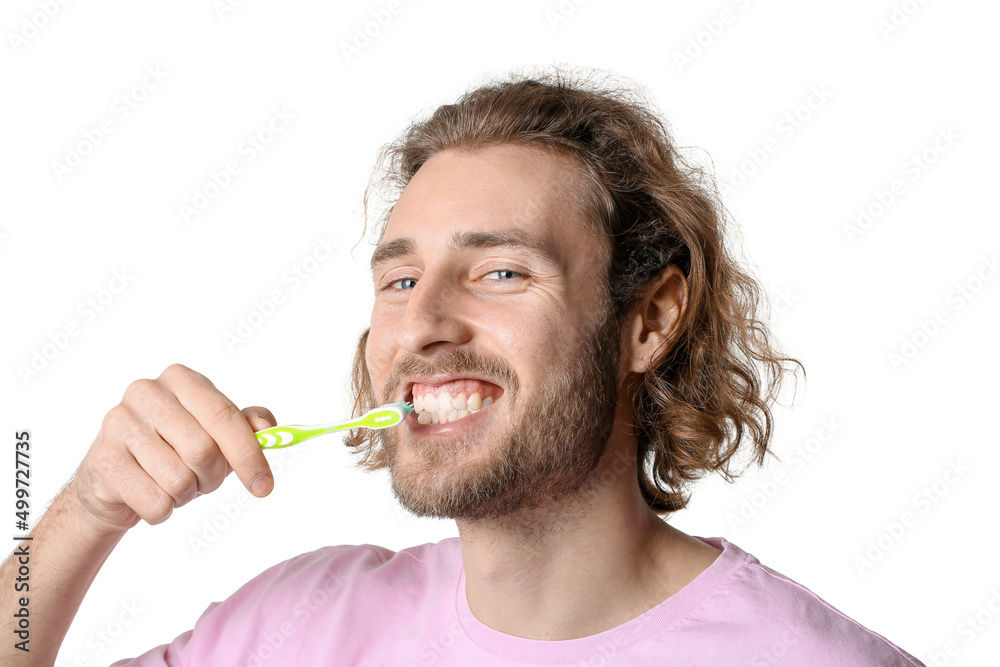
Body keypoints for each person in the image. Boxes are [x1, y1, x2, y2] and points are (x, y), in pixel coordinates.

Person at [2, 67, 924, 666]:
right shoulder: (293, 626)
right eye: (400, 278)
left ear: (648, 321)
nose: (425, 324)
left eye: (500, 271)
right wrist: (83, 513)